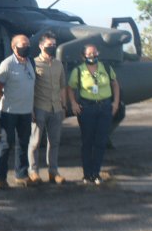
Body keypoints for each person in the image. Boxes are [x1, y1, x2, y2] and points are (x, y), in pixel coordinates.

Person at [66, 44, 120, 184]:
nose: (92, 56)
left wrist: (115, 102)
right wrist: (73, 103)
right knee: (87, 141)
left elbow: (115, 84)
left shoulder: (106, 68)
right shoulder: (78, 71)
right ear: (83, 56)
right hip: (87, 108)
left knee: (100, 141)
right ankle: (86, 174)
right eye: (89, 54)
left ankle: (96, 173)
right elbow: (70, 88)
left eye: (95, 53)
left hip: (104, 107)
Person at [0, 34, 36, 189]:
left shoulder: (29, 62)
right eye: (23, 45)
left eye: (28, 45)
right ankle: (1, 178)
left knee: (23, 144)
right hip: (9, 112)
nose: (26, 47)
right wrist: (2, 103)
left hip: (25, 112)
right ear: (14, 47)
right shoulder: (7, 64)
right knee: (6, 144)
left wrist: (31, 109)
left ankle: (21, 175)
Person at [28, 31, 67, 184]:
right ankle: (33, 171)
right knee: (35, 142)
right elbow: (30, 87)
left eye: (54, 45)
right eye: (49, 45)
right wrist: (30, 109)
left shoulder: (58, 64)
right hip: (39, 107)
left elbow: (63, 86)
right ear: (41, 45)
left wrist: (64, 106)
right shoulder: (34, 63)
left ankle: (53, 171)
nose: (52, 47)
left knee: (55, 141)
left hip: (56, 108)